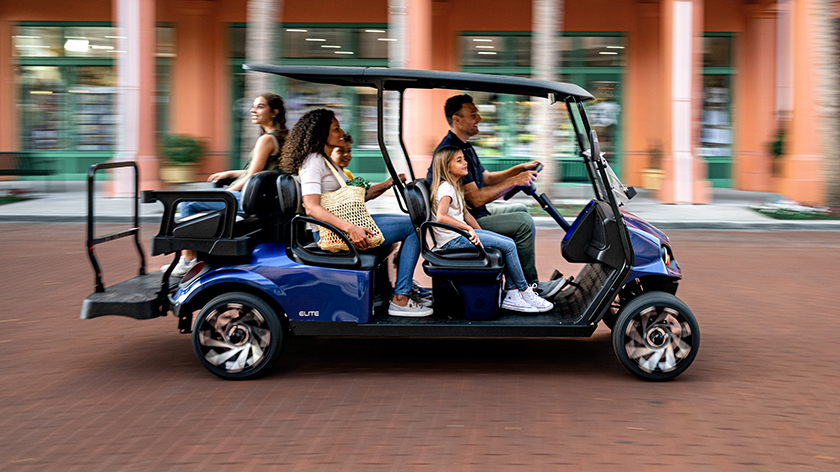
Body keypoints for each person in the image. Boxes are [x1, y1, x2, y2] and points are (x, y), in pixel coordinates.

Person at [281, 108, 433, 317]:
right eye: (336, 128)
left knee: (411, 222)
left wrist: (388, 183)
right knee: (412, 228)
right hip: (331, 232)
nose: (341, 132)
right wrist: (351, 228)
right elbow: (311, 207)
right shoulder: (313, 162)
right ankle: (401, 298)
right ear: (321, 133)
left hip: (342, 226)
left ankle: (402, 288)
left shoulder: (327, 163)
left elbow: (354, 198)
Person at [426, 94, 564, 298]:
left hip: (475, 214)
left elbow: (487, 178)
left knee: (521, 210)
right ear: (457, 120)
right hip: (466, 223)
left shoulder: (464, 148)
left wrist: (519, 169)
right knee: (523, 223)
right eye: (473, 115)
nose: (479, 119)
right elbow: (476, 199)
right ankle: (528, 287)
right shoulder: (451, 153)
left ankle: (518, 282)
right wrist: (515, 181)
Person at [162, 93, 288, 277]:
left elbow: (252, 175)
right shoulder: (280, 137)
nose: (253, 110)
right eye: (253, 106)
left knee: (186, 203)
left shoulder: (267, 139)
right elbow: (257, 172)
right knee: (196, 199)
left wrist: (225, 195)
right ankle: (196, 256)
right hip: (263, 199)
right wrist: (229, 173)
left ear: (274, 112)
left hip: (252, 201)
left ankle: (188, 260)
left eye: (260, 106)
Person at [429, 145, 553, 313]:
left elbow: (466, 215)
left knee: (505, 243)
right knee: (509, 245)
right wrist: (469, 230)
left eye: (464, 159)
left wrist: (481, 233)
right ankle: (523, 291)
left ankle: (513, 292)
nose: (465, 163)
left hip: (459, 237)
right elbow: (441, 217)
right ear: (446, 166)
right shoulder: (446, 189)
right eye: (459, 161)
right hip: (452, 242)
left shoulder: (455, 186)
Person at [330, 133, 406, 201]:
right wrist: (387, 183)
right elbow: (361, 196)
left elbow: (365, 193)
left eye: (349, 151)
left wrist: (389, 183)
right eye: (341, 151)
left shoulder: (346, 173)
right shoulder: (329, 176)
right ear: (329, 153)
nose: (346, 155)